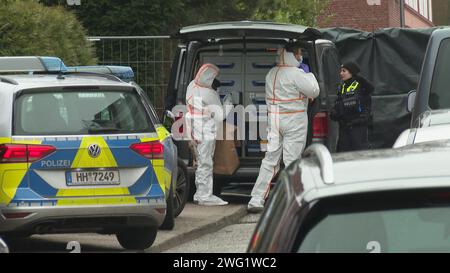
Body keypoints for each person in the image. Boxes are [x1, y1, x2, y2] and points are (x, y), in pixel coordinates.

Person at [247, 45, 320, 213]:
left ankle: (256, 199)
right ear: (293, 55)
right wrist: (309, 75)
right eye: (300, 53)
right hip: (294, 120)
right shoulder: (297, 74)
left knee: (270, 160)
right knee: (292, 161)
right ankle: (293, 200)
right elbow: (314, 91)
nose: (301, 56)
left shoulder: (271, 73)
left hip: (274, 120)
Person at [185, 63, 232, 206]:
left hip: (193, 131)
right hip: (206, 132)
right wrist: (228, 103)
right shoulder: (210, 93)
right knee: (205, 163)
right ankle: (205, 196)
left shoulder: (191, 86)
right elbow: (220, 115)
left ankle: (200, 193)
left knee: (200, 163)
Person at [330, 62, 373, 152]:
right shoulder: (342, 87)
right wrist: (335, 112)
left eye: (344, 71)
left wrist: (359, 120)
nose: (341, 73)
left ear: (351, 72)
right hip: (344, 128)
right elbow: (339, 104)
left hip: (358, 128)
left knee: (359, 154)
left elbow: (370, 90)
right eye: (340, 71)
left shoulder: (361, 85)